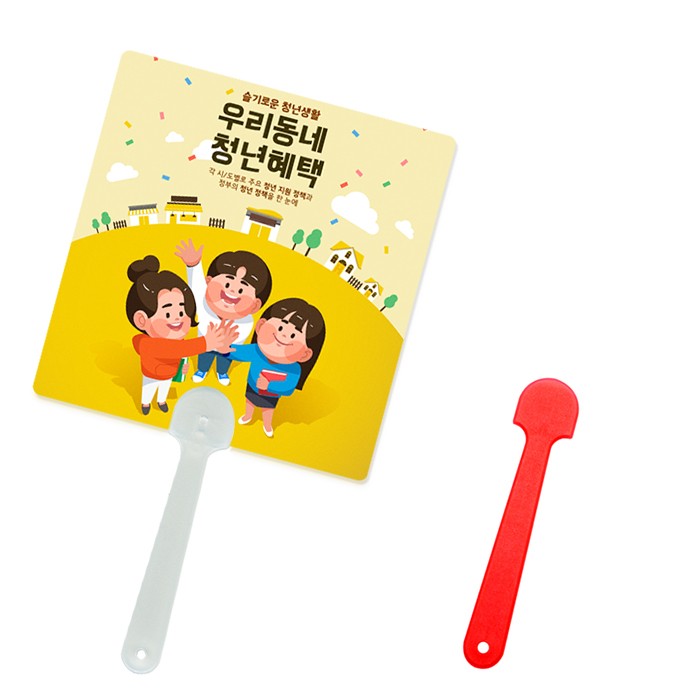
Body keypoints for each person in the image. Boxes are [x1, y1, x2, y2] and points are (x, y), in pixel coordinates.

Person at [126, 256, 238, 415]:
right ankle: (146, 404)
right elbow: (176, 349)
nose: (178, 318)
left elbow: (179, 351)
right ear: (141, 320)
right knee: (149, 389)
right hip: (151, 374)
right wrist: (206, 343)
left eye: (181, 312)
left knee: (164, 388)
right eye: (167, 313)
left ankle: (161, 401)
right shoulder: (147, 344)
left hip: (170, 373)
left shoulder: (177, 340)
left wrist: (182, 367)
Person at [174, 239, 272, 386]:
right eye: (227, 283)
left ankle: (222, 372)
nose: (232, 290)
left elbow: (238, 342)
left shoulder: (246, 322)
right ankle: (202, 370)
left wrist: (225, 346)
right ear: (208, 283)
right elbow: (196, 287)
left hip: (228, 349)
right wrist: (193, 265)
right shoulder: (204, 303)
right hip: (205, 343)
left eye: (241, 288)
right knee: (204, 358)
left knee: (224, 360)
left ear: (255, 305)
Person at [228, 298, 325, 437]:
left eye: (293, 335)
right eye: (280, 328)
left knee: (267, 409)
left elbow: (288, 388)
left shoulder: (294, 369)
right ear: (260, 326)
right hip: (252, 385)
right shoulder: (256, 351)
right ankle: (248, 416)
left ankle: (267, 425)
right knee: (249, 401)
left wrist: (269, 386)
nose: (283, 335)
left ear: (305, 354)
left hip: (271, 394)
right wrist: (225, 348)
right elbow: (240, 353)